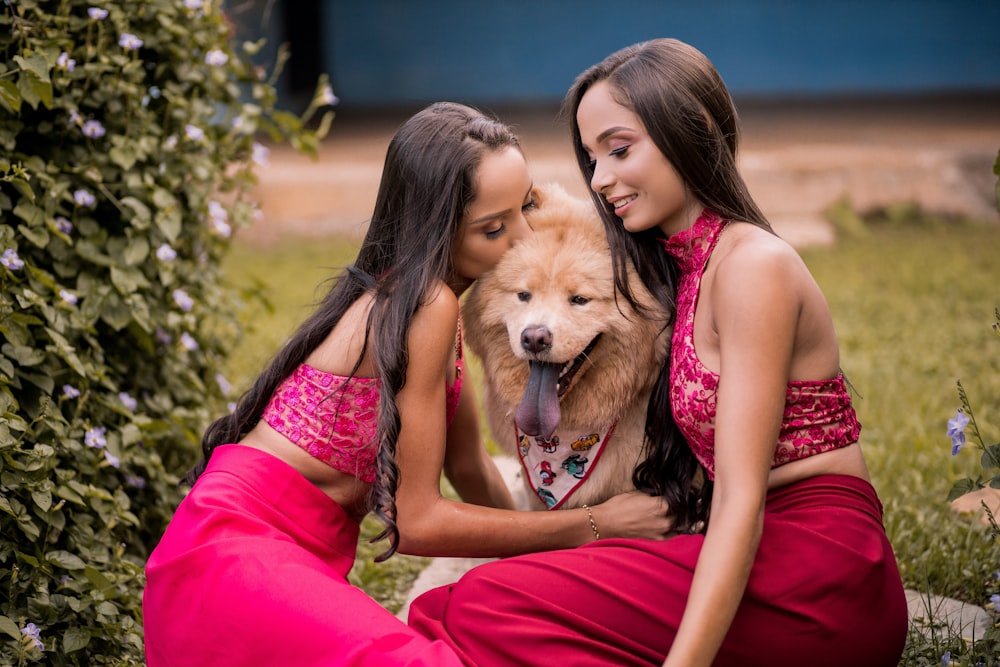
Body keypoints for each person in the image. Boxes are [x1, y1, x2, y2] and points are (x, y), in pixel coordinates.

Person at [408, 40, 909, 666]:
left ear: (692, 131)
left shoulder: (753, 266)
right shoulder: (671, 263)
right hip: (757, 551)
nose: (601, 180)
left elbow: (740, 501)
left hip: (815, 568)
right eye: (591, 159)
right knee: (469, 608)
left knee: (476, 608)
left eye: (620, 151)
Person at [142, 102, 673, 667]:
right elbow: (418, 522)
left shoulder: (414, 299)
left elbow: (469, 468)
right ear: (440, 229)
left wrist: (541, 563)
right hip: (232, 561)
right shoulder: (427, 304)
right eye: (495, 228)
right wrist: (594, 524)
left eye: (525, 209)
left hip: (241, 556)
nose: (521, 238)